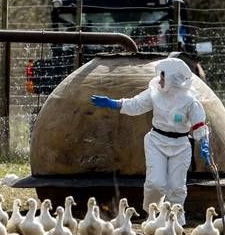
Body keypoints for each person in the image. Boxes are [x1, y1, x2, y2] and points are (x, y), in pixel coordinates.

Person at [90, 57, 210, 223]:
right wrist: (113, 104)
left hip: (181, 145)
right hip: (156, 141)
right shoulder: (155, 93)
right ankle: (152, 215)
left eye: (163, 76)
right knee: (155, 184)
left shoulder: (190, 101)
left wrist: (204, 143)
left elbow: (198, 124)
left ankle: (175, 220)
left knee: (176, 187)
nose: (159, 79)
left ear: (172, 78)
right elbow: (135, 104)